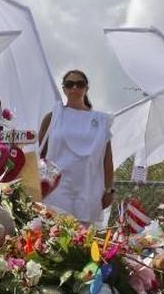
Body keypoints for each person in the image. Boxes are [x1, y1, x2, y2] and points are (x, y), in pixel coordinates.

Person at [38, 70, 114, 225]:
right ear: (64, 89)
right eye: (69, 84)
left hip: (88, 189)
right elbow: (40, 154)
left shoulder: (101, 122)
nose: (74, 88)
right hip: (55, 189)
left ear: (86, 88)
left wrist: (109, 190)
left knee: (82, 236)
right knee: (53, 232)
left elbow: (107, 161)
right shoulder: (52, 117)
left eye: (79, 84)